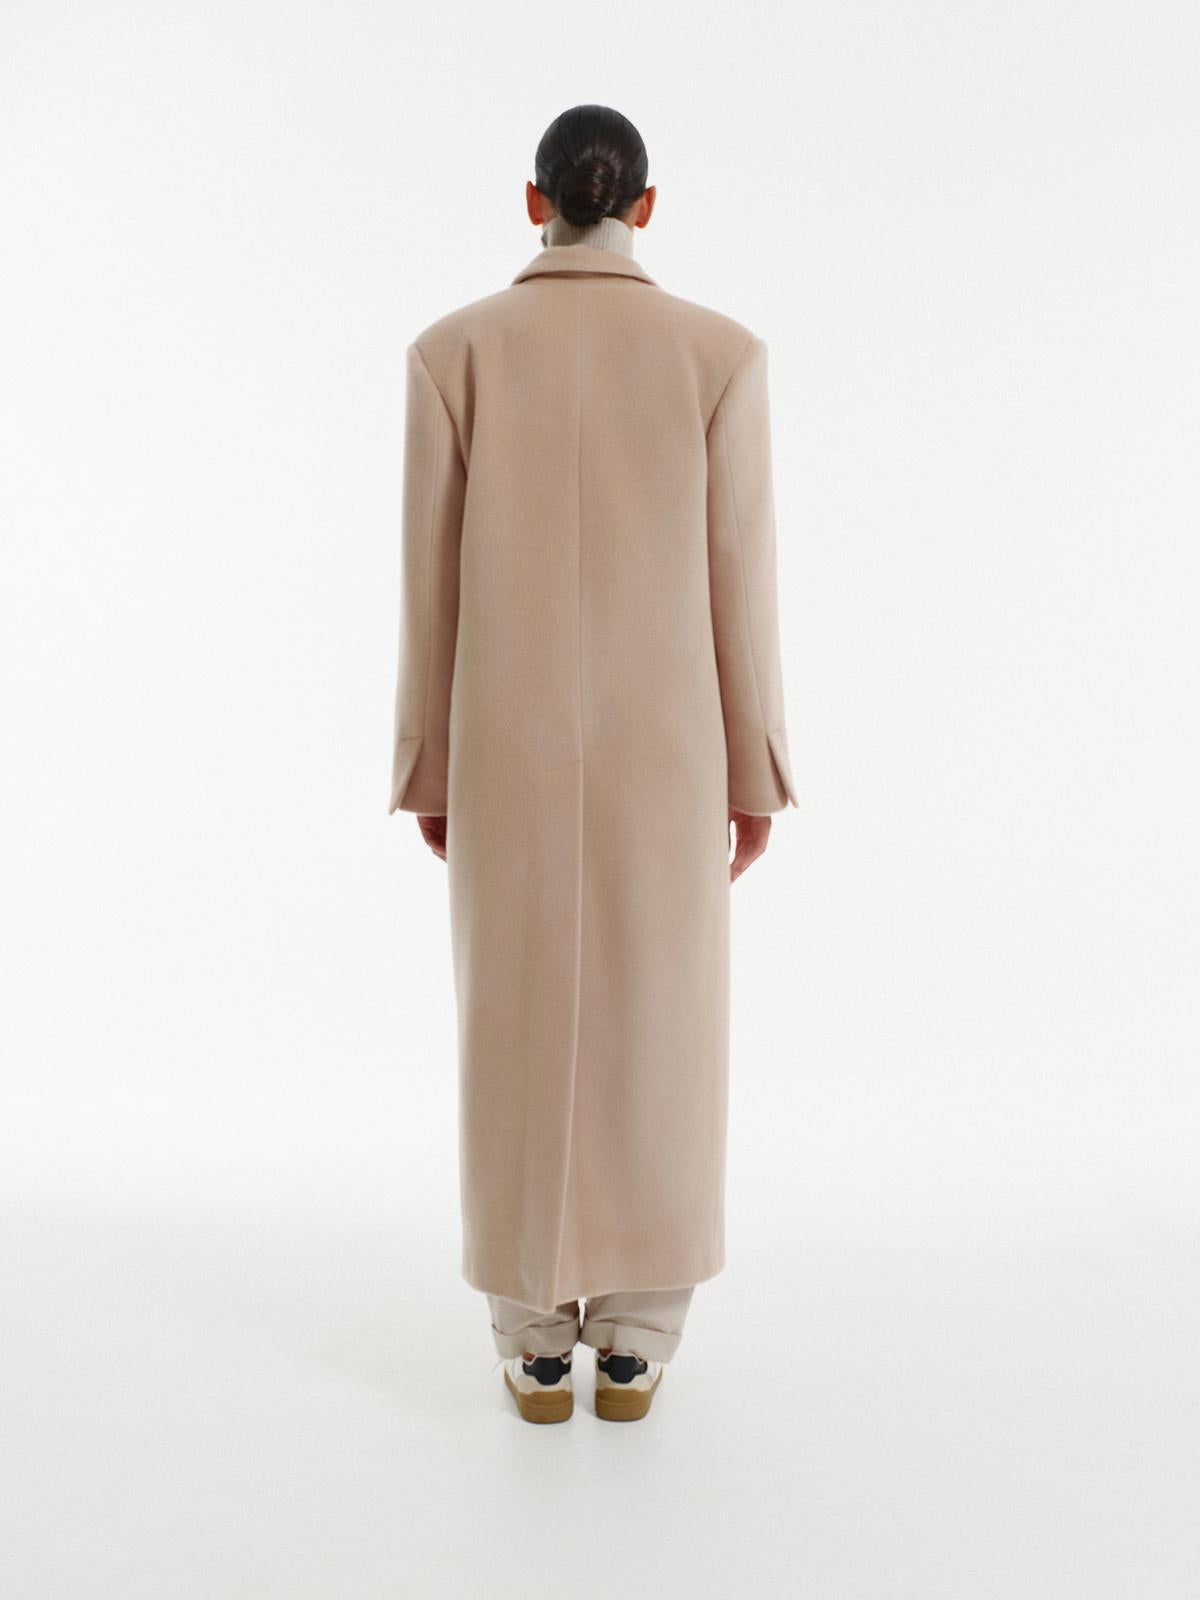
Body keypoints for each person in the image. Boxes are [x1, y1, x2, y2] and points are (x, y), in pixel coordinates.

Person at [389, 104, 797, 1424]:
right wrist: (754, 772)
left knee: (513, 1021)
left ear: (534, 201)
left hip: (506, 747)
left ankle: (530, 1337)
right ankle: (635, 1339)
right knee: (658, 1027)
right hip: (668, 749)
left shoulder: (453, 352)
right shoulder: (718, 354)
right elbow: (740, 580)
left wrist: (429, 764)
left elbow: (431, 587)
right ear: (647, 207)